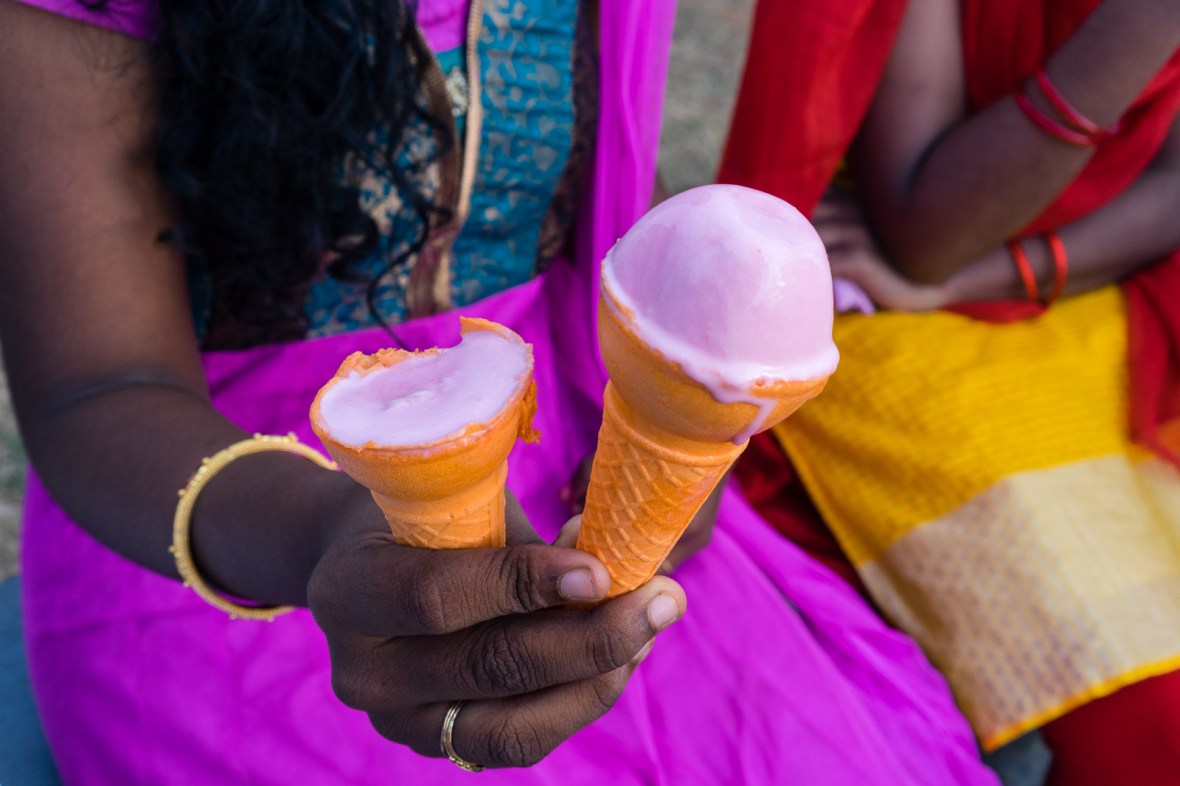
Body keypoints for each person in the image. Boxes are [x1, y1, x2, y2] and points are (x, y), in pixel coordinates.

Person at [0, 0, 1001, 783]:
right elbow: (100, 387)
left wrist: (657, 433)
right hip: (231, 504)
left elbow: (569, 187)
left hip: (561, 427)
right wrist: (318, 538)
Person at [720, 0, 1180, 783]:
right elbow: (928, 235)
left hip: (1100, 285)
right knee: (1151, 713)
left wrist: (1003, 275)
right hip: (873, 291)